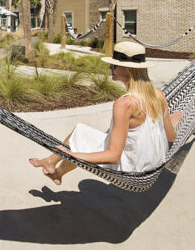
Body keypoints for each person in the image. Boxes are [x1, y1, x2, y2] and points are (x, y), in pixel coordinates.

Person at [29, 41, 183, 185]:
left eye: (114, 66)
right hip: (152, 162)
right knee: (81, 132)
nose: (111, 69)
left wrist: (72, 156)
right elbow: (170, 137)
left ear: (128, 70)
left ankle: (54, 165)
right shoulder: (158, 95)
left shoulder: (125, 104)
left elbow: (113, 156)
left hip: (133, 168)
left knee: (79, 136)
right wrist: (171, 120)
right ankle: (54, 167)